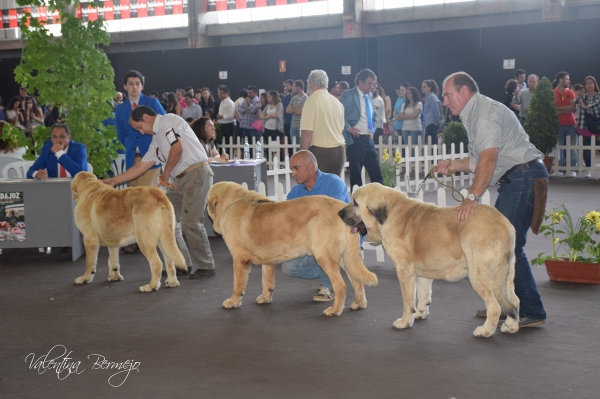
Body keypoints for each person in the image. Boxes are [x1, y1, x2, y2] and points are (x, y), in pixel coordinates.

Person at [434, 71, 547, 328]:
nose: (445, 101)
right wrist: (453, 165)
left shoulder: (483, 113)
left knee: (509, 246)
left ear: (464, 92)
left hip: (522, 178)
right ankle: (503, 307)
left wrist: (471, 197)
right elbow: (477, 161)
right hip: (520, 178)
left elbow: (488, 160)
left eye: (448, 95)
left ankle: (531, 310)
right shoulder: (477, 113)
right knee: (501, 245)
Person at [103, 106, 216, 280]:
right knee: (166, 220)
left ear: (146, 117)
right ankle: (182, 264)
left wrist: (165, 173)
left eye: (140, 127)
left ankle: (206, 265)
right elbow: (141, 166)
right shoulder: (156, 140)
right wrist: (113, 181)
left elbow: (177, 147)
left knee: (191, 223)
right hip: (178, 180)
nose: (141, 132)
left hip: (196, 174)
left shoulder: (168, 121)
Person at [282, 150, 350, 302]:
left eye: (296, 168)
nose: (293, 173)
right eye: (291, 169)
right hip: (309, 242)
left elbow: (332, 220)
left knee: (322, 247)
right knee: (289, 268)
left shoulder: (334, 183)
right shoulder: (295, 193)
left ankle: (329, 285)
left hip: (340, 238)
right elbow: (289, 221)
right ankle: (332, 274)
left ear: (311, 167)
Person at [115, 70, 166, 253]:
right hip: (132, 159)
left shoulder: (152, 103)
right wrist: (132, 146)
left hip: (151, 159)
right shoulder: (120, 109)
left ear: (142, 86)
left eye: (137, 83)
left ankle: (148, 238)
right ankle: (135, 238)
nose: (134, 87)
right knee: (132, 199)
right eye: (130, 83)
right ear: (124, 86)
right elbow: (121, 134)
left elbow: (163, 126)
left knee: (145, 198)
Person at [340, 68, 383, 189]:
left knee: (376, 172)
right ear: (360, 81)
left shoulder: (369, 95)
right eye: (370, 83)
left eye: (373, 83)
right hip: (355, 139)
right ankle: (357, 202)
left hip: (368, 138)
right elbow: (338, 114)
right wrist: (349, 128)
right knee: (356, 174)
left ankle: (381, 200)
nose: (372, 86)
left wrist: (372, 129)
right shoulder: (348, 94)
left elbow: (374, 114)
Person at [299, 69, 345, 176]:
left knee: (316, 189)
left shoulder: (311, 100)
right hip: (339, 151)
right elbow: (341, 129)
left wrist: (302, 156)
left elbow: (307, 132)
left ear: (310, 83)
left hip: (321, 152)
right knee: (333, 188)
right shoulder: (337, 102)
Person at [554, 71, 579, 177]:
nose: (569, 81)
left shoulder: (570, 93)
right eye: (567, 79)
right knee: (559, 148)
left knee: (573, 148)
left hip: (571, 124)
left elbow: (573, 108)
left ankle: (572, 169)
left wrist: (560, 109)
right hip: (559, 125)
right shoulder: (553, 93)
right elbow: (553, 110)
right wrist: (566, 109)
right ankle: (559, 169)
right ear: (561, 80)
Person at [577, 76, 600, 178]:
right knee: (586, 149)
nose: (588, 85)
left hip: (597, 126)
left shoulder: (599, 96)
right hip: (584, 126)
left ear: (595, 84)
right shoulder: (582, 98)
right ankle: (588, 169)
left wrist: (586, 107)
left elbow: (596, 108)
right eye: (586, 84)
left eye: (590, 83)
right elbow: (575, 108)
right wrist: (577, 100)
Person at [286, 80, 308, 147]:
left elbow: (301, 112)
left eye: (294, 86)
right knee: (294, 146)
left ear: (299, 87)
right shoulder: (294, 98)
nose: (293, 88)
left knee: (301, 146)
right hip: (293, 125)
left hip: (301, 126)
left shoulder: (306, 98)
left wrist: (293, 111)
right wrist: (296, 111)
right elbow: (287, 110)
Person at [215, 85, 235, 152]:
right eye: (218, 92)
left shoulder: (230, 102)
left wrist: (222, 116)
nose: (219, 94)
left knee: (228, 143)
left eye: (221, 93)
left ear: (226, 93)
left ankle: (228, 156)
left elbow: (231, 115)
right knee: (219, 142)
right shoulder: (221, 101)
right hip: (220, 124)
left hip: (228, 125)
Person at [422, 79, 442, 145]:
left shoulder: (431, 96)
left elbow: (436, 110)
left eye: (424, 86)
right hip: (428, 122)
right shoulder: (428, 97)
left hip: (432, 123)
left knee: (431, 143)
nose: (422, 88)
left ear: (430, 88)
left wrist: (438, 122)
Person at [281, 79, 294, 148]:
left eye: (287, 86)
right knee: (288, 141)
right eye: (285, 86)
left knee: (294, 141)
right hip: (286, 122)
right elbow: (283, 109)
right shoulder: (285, 98)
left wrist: (289, 109)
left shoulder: (296, 96)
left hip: (294, 122)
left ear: (292, 86)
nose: (286, 88)